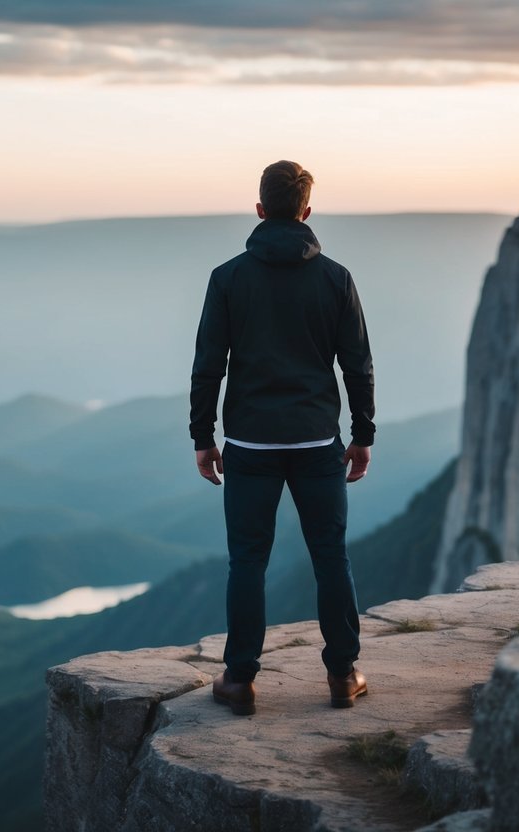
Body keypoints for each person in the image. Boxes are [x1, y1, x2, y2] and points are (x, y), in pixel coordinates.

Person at [189, 160, 376, 716]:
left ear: (260, 210)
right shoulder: (336, 277)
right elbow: (357, 365)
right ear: (308, 212)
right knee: (330, 558)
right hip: (318, 441)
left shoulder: (228, 278)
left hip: (249, 444)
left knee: (247, 560)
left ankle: (240, 680)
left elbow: (208, 366)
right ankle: (343, 676)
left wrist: (203, 437)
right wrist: (362, 434)